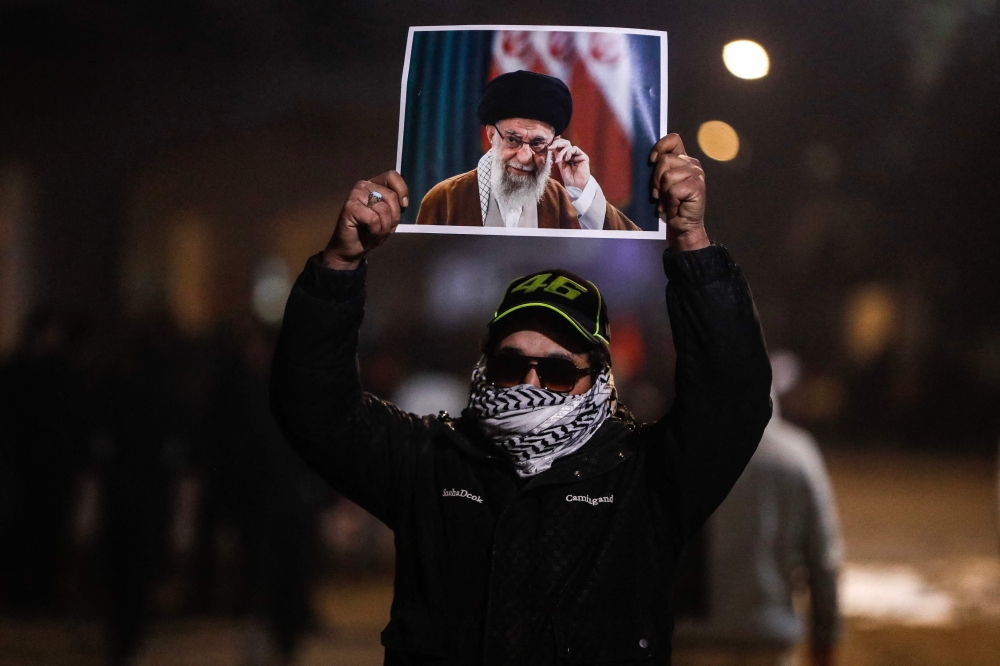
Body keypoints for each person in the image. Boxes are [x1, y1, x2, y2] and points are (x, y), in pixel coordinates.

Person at [270, 133, 772, 665]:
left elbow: (732, 401)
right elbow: (314, 407)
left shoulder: (641, 476)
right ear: (487, 363)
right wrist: (339, 267)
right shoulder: (435, 461)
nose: (529, 383)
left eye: (556, 370)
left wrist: (691, 241)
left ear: (597, 376)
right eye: (512, 364)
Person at [671, 352, 843, 666]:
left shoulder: (673, 452)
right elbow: (823, 560)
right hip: (769, 642)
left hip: (688, 643)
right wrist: (825, 639)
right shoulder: (798, 455)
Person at [415, 69, 640, 231]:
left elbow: (635, 248)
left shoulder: (564, 201)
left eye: (537, 143)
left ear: (555, 143)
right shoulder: (444, 199)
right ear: (492, 135)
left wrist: (583, 187)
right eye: (513, 140)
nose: (524, 157)